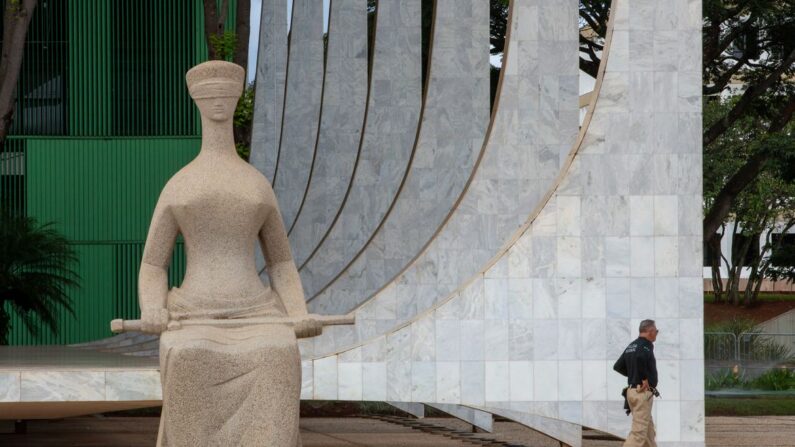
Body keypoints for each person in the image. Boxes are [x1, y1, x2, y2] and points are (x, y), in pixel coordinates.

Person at [613, 319, 659, 447]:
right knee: (638, 434)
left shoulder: (631, 345)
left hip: (632, 392)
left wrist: (634, 375)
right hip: (641, 393)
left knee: (648, 433)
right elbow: (640, 358)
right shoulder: (645, 345)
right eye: (656, 331)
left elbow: (618, 366)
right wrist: (642, 378)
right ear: (650, 331)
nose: (656, 334)